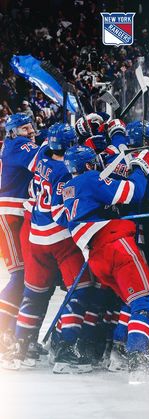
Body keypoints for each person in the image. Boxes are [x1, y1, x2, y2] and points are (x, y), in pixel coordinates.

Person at [62, 142, 149, 381]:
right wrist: (139, 169)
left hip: (96, 258)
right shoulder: (91, 179)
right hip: (116, 246)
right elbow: (133, 192)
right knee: (143, 300)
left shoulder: (68, 188)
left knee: (134, 302)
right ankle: (137, 358)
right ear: (89, 164)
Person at [3, 122, 93, 373]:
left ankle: (20, 349)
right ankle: (65, 349)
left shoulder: (41, 158)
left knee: (33, 293)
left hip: (35, 238)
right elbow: (59, 210)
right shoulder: (64, 171)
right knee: (80, 287)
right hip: (59, 238)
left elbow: (42, 149)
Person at [0, 113, 39, 352]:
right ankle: (4, 328)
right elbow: (42, 160)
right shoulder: (17, 144)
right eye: (25, 128)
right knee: (19, 275)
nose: (31, 131)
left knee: (24, 274)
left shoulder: (14, 144)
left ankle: (11, 330)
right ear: (14, 131)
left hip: (14, 213)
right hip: (9, 214)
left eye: (31, 127)